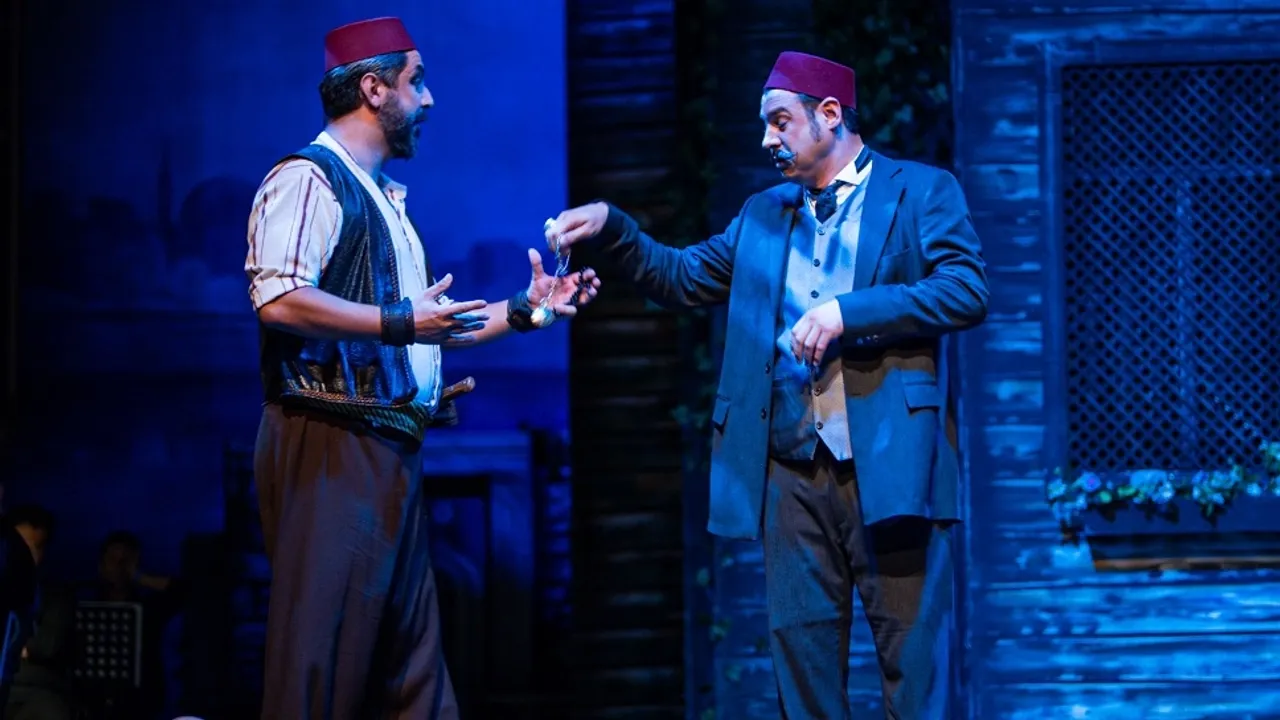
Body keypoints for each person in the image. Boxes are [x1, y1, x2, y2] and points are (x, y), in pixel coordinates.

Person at [548, 51, 988, 718]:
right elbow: (681, 277)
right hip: (793, 475)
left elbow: (965, 289)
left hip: (893, 463)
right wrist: (614, 225)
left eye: (780, 122)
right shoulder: (763, 214)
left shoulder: (921, 191)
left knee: (918, 675)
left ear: (830, 115)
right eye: (764, 125)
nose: (766, 139)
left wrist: (849, 313)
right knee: (804, 681)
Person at [244, 16, 599, 720]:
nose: (429, 99)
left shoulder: (385, 200)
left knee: (410, 673)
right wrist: (401, 321)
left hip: (388, 449)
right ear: (373, 89)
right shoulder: (308, 179)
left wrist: (527, 310)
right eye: (417, 82)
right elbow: (279, 299)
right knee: (321, 662)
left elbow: (426, 327)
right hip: (330, 441)